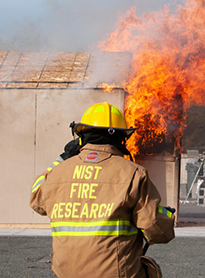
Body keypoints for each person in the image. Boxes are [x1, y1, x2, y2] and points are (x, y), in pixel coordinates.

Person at [30, 102, 175, 278]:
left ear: (81, 137)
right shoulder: (134, 174)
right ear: (122, 139)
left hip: (65, 273)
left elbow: (36, 198)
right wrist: (166, 215)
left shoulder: (57, 173)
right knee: (151, 269)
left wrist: (62, 159)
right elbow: (158, 231)